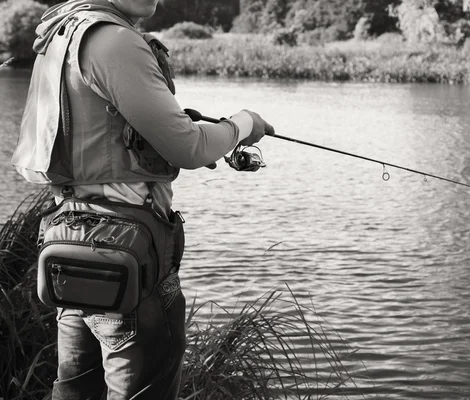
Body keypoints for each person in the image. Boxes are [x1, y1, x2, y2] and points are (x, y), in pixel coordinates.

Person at [11, 0, 275, 399]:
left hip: (69, 246)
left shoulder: (62, 33)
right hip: (129, 259)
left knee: (74, 392)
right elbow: (190, 147)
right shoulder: (116, 41)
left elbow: (96, 140)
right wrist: (243, 124)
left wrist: (164, 149)